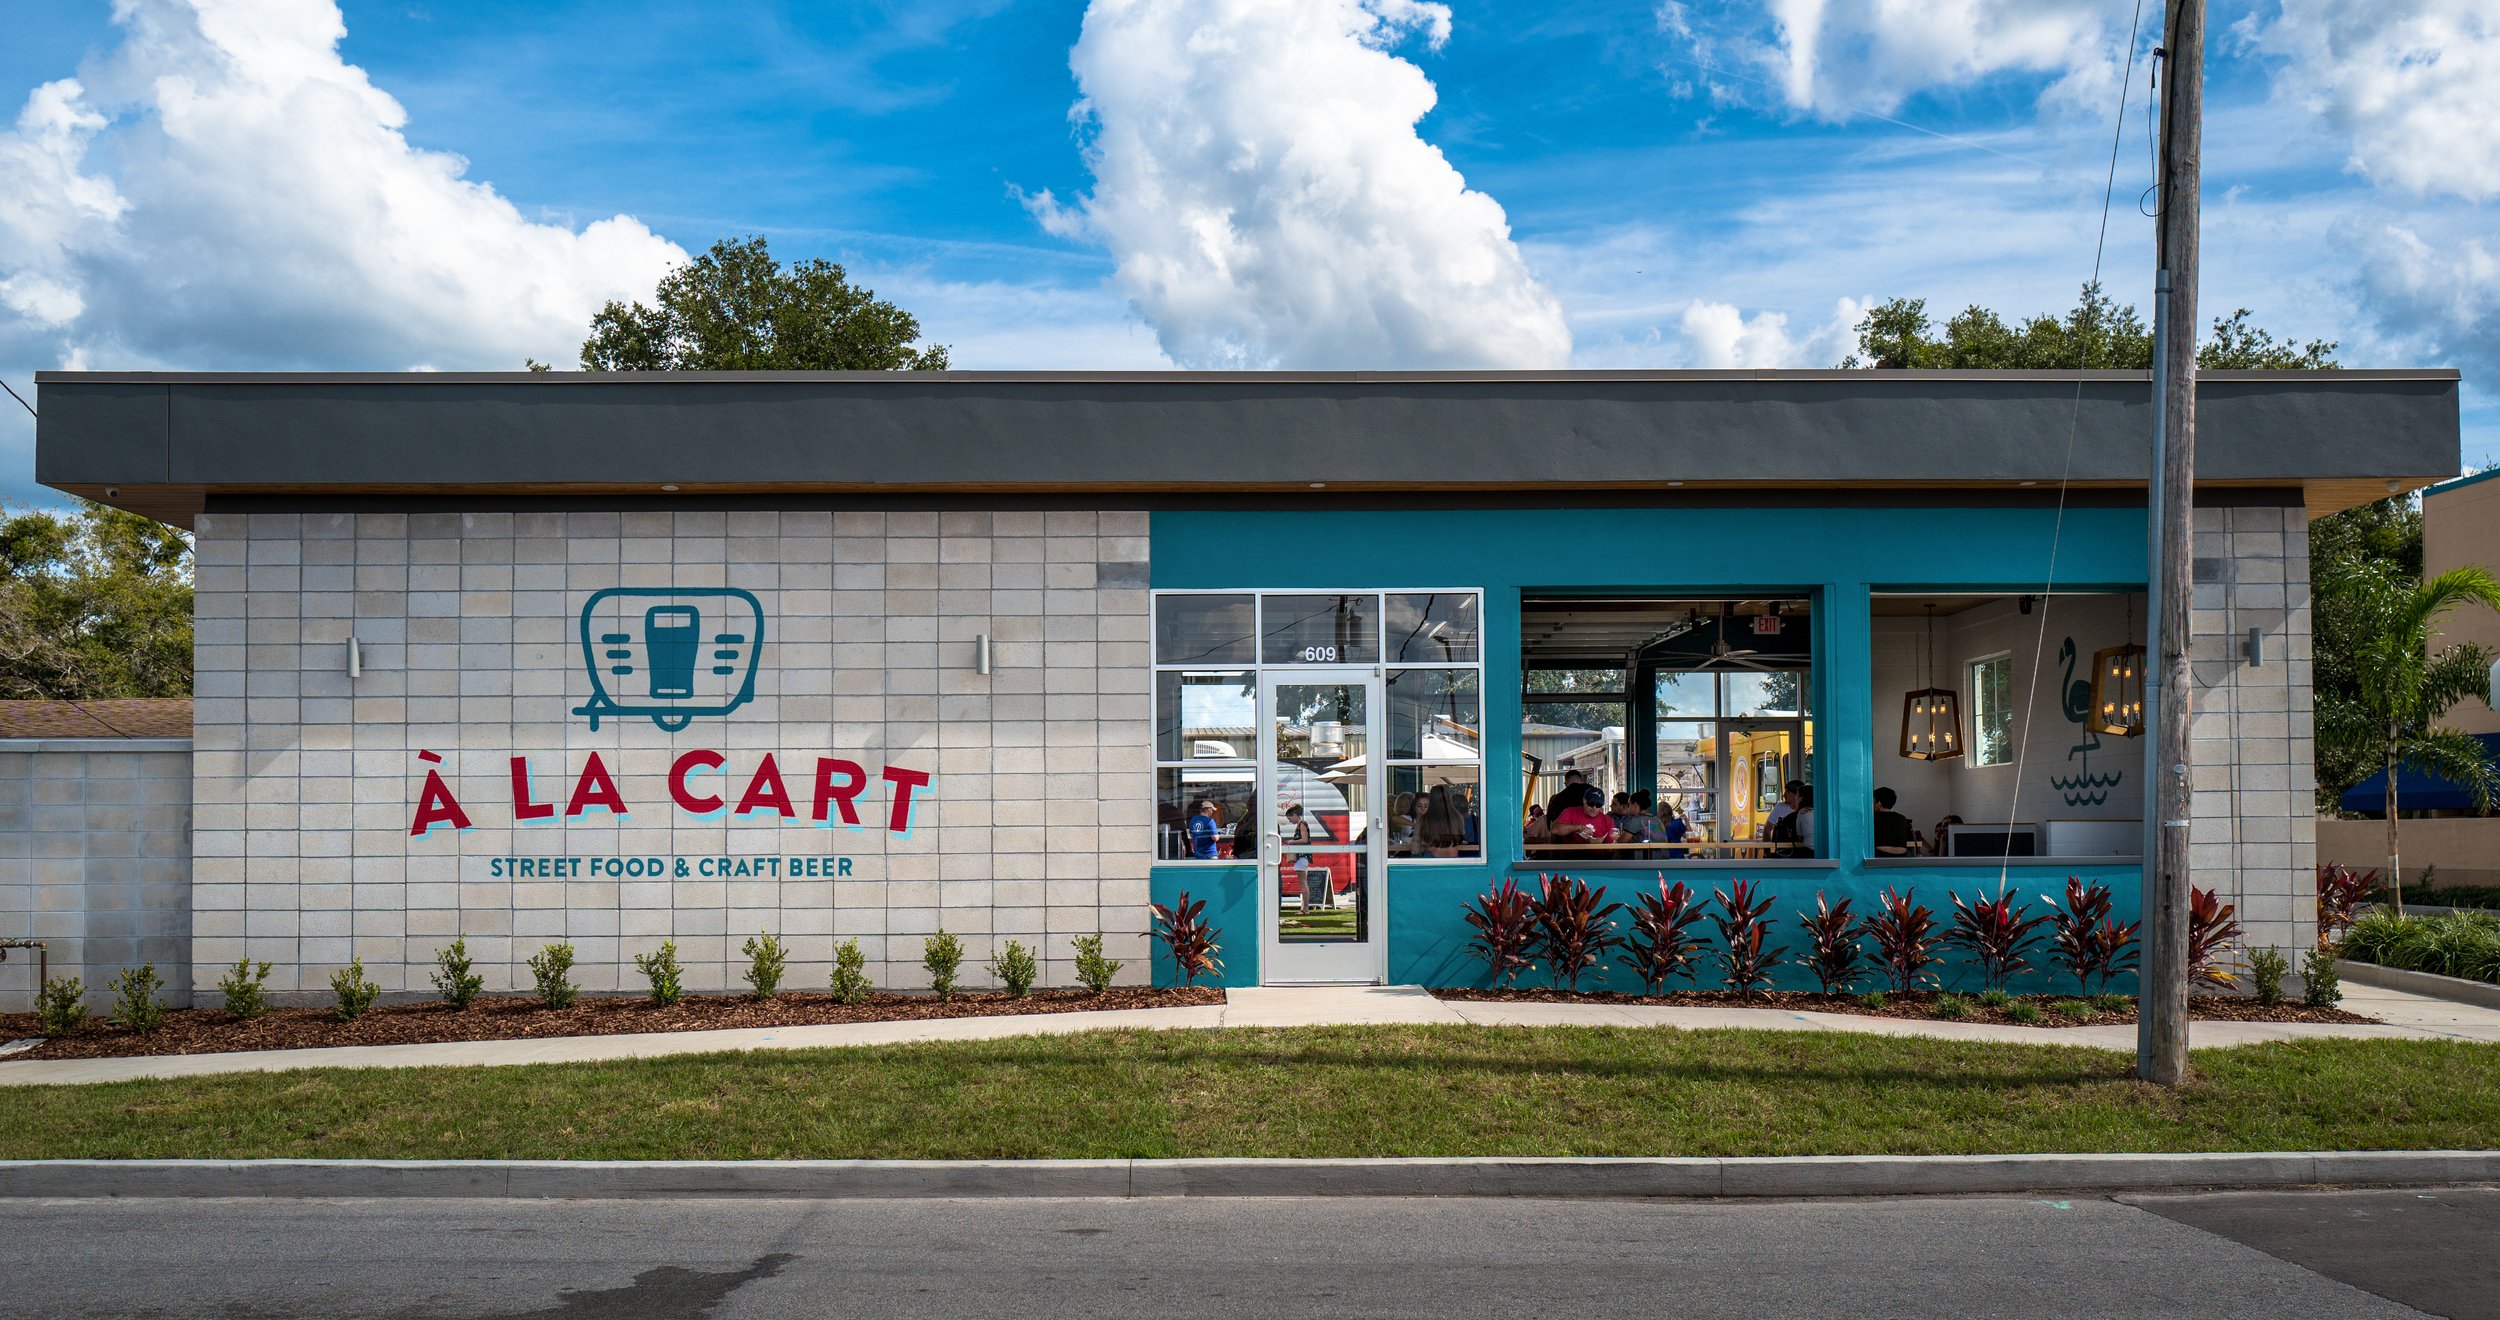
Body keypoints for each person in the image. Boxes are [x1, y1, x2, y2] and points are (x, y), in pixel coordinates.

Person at [1551, 784, 1616, 847]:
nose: (1594, 808)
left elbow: (1610, 848)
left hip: (1597, 857)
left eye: (1598, 805)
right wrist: (1579, 827)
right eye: (1591, 804)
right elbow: (1554, 829)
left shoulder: (1607, 821)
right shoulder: (1570, 812)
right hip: (1571, 856)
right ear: (1584, 801)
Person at [1419, 784, 1469, 857]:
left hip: (1431, 855)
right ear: (1448, 797)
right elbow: (1461, 837)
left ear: (1431, 799)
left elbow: (1421, 841)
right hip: (1452, 855)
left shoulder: (1425, 817)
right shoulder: (1457, 816)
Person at [1766, 780, 1806, 857]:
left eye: (1787, 792)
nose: (1784, 795)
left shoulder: (1806, 811)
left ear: (1796, 795)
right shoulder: (1779, 807)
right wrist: (1767, 850)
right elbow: (1767, 828)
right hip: (1781, 852)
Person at [1873, 787, 1915, 856]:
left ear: (1879, 803)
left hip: (1879, 859)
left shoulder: (1873, 818)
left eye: (1873, 801)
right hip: (1901, 858)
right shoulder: (1902, 818)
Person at [1789, 785, 1816, 858]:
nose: (1795, 798)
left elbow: (1799, 836)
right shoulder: (1820, 812)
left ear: (1801, 798)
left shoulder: (1802, 812)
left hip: (1808, 850)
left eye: (1797, 795)